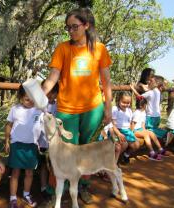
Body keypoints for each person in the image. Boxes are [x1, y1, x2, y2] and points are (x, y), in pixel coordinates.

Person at [42, 7, 112, 204]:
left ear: (86, 25)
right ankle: (54, 192)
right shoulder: (62, 48)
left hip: (93, 109)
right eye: (68, 28)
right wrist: (39, 94)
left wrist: (108, 108)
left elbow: (106, 82)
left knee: (87, 151)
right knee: (61, 151)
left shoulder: (99, 49)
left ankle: (83, 187)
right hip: (66, 109)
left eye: (75, 27)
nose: (71, 31)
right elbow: (52, 78)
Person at [5, 86, 41, 208]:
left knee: (29, 173)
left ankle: (26, 194)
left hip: (32, 146)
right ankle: (13, 197)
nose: (30, 101)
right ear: (20, 98)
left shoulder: (39, 110)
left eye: (32, 99)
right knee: (15, 172)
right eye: (26, 99)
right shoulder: (15, 109)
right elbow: (8, 125)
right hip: (16, 145)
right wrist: (6, 141)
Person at [112, 92, 140, 164]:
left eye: (128, 103)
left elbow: (129, 123)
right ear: (118, 100)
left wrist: (131, 132)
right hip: (117, 130)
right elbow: (113, 124)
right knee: (124, 145)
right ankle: (113, 160)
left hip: (127, 131)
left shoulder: (129, 110)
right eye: (124, 102)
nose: (126, 104)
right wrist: (118, 133)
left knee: (137, 145)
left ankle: (126, 155)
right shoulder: (115, 109)